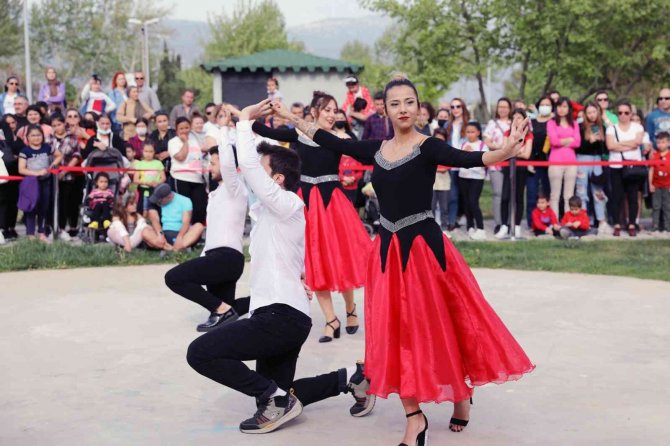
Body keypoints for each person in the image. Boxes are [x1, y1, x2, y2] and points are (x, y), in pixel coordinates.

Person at [273, 78, 534, 445]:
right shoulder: (375, 150)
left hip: (427, 252)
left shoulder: (429, 147)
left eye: (410, 101)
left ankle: (461, 395)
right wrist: (289, 116)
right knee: (396, 333)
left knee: (445, 324)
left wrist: (506, 149)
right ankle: (415, 417)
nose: (403, 109)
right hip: (387, 253)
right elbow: (329, 139)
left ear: (418, 106)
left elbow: (468, 159)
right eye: (395, 103)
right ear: (385, 108)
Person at [186, 108, 374, 435]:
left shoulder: (288, 205)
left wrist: (244, 121)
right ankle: (352, 379)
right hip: (286, 315)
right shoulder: (268, 217)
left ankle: (276, 398)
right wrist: (227, 131)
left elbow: (247, 166)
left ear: (276, 180)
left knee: (200, 353)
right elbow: (236, 168)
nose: (253, 178)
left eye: (262, 172)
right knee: (277, 395)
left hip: (279, 317)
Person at [250, 91, 371, 344]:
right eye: (326, 109)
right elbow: (269, 133)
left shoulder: (339, 138)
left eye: (334, 110)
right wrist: (244, 118)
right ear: (314, 111)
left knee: (340, 260)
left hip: (333, 205)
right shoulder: (298, 135)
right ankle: (330, 319)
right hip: (307, 205)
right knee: (314, 261)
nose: (331, 114)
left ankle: (350, 310)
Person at [165, 144, 250, 331]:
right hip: (216, 257)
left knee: (174, 278)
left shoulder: (235, 188)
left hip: (227, 258)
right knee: (227, 313)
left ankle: (221, 310)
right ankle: (270, 301)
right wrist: (203, 257)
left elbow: (228, 161)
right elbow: (212, 234)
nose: (209, 167)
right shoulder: (216, 194)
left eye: (213, 163)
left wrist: (224, 130)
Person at [606, 100, 645, 237]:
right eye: (620, 113)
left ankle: (632, 223)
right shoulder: (612, 128)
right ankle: (617, 224)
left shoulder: (637, 127)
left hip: (633, 165)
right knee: (617, 195)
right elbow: (610, 146)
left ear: (631, 114)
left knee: (633, 196)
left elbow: (637, 143)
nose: (623, 115)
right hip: (615, 165)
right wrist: (628, 144)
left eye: (626, 113)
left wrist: (619, 144)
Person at [18, 124, 62, 241]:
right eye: (32, 135)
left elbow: (59, 155)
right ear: (27, 137)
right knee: (31, 208)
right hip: (31, 183)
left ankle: (42, 233)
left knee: (44, 207)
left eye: (38, 135)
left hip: (45, 182)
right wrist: (36, 173)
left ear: (42, 136)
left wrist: (52, 165)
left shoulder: (47, 147)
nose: (36, 138)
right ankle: (30, 234)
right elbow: (21, 169)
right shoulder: (25, 151)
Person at [496, 108, 533, 239]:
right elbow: (506, 152)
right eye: (514, 117)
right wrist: (518, 151)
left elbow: (527, 154)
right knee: (505, 197)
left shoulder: (528, 135)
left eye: (519, 117)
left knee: (518, 197)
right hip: (508, 167)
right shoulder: (507, 133)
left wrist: (514, 151)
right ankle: (504, 226)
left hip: (521, 168)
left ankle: (516, 226)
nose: (516, 120)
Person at [576, 102, 610, 234]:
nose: (591, 115)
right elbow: (577, 146)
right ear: (585, 114)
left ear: (598, 113)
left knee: (598, 191)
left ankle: (601, 220)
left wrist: (601, 140)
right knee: (581, 191)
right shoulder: (579, 127)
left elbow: (605, 149)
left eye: (594, 112)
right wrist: (588, 141)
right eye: (589, 112)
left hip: (597, 161)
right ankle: (583, 219)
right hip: (582, 159)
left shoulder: (603, 127)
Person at [167, 117, 207, 225]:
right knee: (184, 208)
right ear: (177, 130)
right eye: (181, 128)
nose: (184, 130)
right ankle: (184, 232)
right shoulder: (173, 142)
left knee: (200, 207)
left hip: (197, 179)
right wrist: (185, 142)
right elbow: (181, 157)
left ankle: (197, 232)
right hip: (181, 178)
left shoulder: (196, 139)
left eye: (186, 127)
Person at [49, 113, 83, 240]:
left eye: (59, 124)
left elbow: (76, 155)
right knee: (52, 203)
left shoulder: (72, 138)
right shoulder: (49, 138)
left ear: (64, 124)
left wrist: (65, 171)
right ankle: (51, 228)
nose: (57, 127)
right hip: (51, 177)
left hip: (67, 176)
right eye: (54, 125)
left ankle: (63, 228)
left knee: (65, 203)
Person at [547, 97, 581, 216]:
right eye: (559, 106)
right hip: (555, 162)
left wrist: (563, 141)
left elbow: (577, 142)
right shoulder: (551, 123)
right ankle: (555, 222)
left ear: (569, 109)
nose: (562, 109)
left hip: (571, 162)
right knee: (555, 196)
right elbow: (554, 141)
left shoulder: (575, 124)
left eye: (565, 106)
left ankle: (569, 222)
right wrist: (568, 140)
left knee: (569, 195)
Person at [146, 183, 204, 251]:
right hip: (164, 233)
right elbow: (155, 220)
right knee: (145, 231)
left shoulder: (185, 201)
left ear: (169, 197)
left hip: (182, 233)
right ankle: (171, 248)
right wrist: (160, 235)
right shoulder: (155, 203)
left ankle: (175, 246)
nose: (157, 202)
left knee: (199, 226)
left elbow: (186, 222)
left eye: (160, 200)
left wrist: (180, 237)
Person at [484, 97, 512, 233]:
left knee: (511, 194)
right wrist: (498, 147)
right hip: (496, 161)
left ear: (510, 108)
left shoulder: (514, 122)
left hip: (511, 162)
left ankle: (510, 222)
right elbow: (487, 141)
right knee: (498, 193)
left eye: (505, 107)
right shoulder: (492, 123)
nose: (502, 109)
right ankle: (499, 223)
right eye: (500, 106)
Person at [458, 121, 489, 240]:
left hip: (477, 177)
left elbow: (485, 161)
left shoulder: (482, 146)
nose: (470, 134)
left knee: (473, 202)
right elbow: (458, 160)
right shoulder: (462, 144)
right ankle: (470, 227)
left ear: (478, 133)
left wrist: (472, 154)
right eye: (468, 132)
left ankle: (481, 229)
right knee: (466, 202)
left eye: (472, 132)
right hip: (464, 176)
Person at [526, 95, 553, 226]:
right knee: (531, 195)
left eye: (548, 105)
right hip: (533, 164)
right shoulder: (531, 122)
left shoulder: (554, 122)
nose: (545, 107)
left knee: (548, 194)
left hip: (550, 163)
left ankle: (549, 223)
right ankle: (532, 223)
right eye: (543, 104)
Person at [445, 98, 470, 231]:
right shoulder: (447, 126)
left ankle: (470, 222)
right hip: (451, 165)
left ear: (463, 108)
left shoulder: (469, 124)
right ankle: (451, 221)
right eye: (453, 107)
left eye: (458, 106)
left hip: (465, 165)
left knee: (466, 195)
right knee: (453, 195)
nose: (455, 109)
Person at [133, 142, 165, 215]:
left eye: (151, 151)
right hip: (143, 190)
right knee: (143, 208)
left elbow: (163, 178)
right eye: (146, 151)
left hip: (156, 190)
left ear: (154, 152)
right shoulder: (139, 164)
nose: (148, 154)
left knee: (155, 208)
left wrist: (157, 183)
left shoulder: (158, 163)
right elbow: (135, 179)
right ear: (142, 151)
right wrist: (146, 183)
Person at [649, 131, 670, 232]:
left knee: (667, 206)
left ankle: (667, 226)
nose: (660, 145)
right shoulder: (655, 155)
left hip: (667, 186)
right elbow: (651, 170)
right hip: (656, 185)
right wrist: (650, 184)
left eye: (663, 142)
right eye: (658, 142)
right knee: (656, 206)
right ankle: (655, 226)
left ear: (668, 143)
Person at [431, 128, 451, 232]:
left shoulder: (448, 150)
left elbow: (445, 168)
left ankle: (444, 227)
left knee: (444, 207)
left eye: (442, 137)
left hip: (444, 183)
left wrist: (436, 167)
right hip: (432, 183)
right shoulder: (429, 149)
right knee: (431, 207)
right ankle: (432, 228)